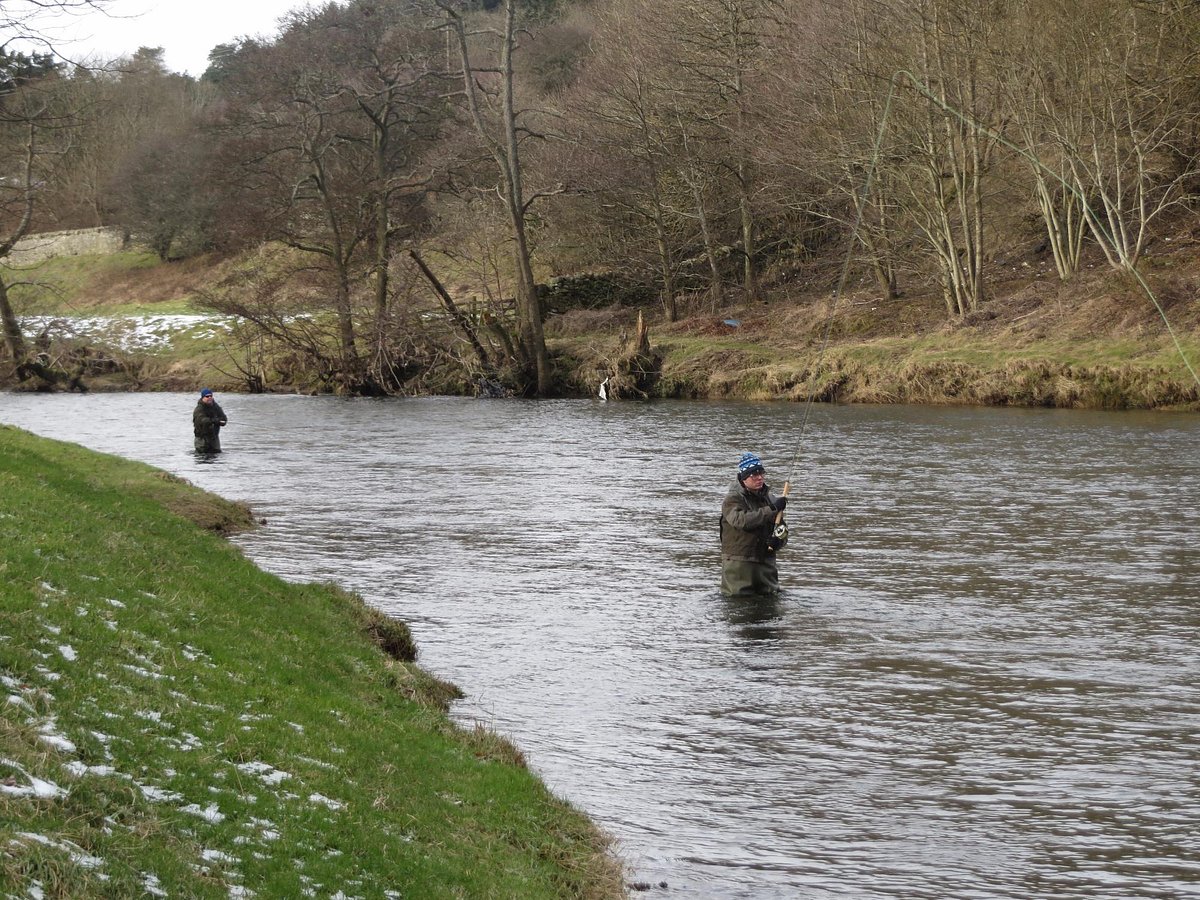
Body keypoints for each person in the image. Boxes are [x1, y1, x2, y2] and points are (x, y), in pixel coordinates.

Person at [720, 452, 789, 597]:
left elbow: (782, 528)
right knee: (738, 604)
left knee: (771, 607)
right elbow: (741, 520)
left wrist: (778, 541)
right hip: (739, 567)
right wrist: (772, 509)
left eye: (761, 473)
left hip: (766, 565)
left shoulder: (770, 499)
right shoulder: (731, 500)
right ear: (744, 478)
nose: (760, 478)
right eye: (754, 475)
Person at [193, 388, 227, 453]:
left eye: (211, 396)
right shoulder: (199, 409)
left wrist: (220, 422)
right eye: (207, 396)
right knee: (202, 456)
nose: (209, 398)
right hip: (202, 439)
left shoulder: (216, 407)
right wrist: (214, 420)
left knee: (216, 456)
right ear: (203, 397)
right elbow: (202, 420)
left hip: (214, 438)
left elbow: (224, 419)